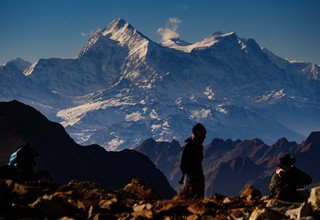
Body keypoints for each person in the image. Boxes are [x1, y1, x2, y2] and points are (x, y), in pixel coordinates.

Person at [178, 123, 206, 199]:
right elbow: (182, 164)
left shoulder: (199, 146)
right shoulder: (188, 146)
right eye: (202, 136)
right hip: (191, 180)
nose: (203, 139)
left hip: (198, 178)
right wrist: (189, 176)